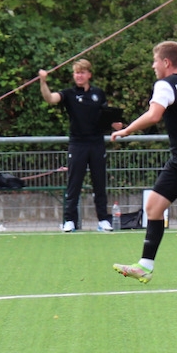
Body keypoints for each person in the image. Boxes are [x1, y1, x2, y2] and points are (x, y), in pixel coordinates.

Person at [110, 41, 177, 283]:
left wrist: (127, 130)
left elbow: (154, 115)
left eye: (155, 61)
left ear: (166, 62)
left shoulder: (164, 85)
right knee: (154, 207)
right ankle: (145, 266)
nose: (153, 66)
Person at [39, 60, 122, 233]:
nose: (79, 76)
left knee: (99, 184)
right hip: (78, 144)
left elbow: (106, 116)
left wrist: (115, 124)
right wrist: (43, 81)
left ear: (89, 75)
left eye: (82, 72)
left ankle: (103, 220)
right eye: (77, 73)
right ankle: (70, 221)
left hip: (97, 143)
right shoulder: (68, 94)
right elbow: (50, 98)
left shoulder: (98, 93)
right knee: (74, 184)